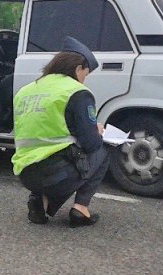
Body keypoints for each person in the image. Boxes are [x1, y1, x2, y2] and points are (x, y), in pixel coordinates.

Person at [11, 37, 110, 227]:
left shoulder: (26, 90)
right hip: (58, 175)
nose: (84, 79)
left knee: (61, 159)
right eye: (85, 74)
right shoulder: (76, 92)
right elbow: (91, 143)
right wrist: (96, 130)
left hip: (25, 174)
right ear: (78, 68)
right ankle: (80, 208)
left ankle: (41, 202)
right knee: (105, 147)